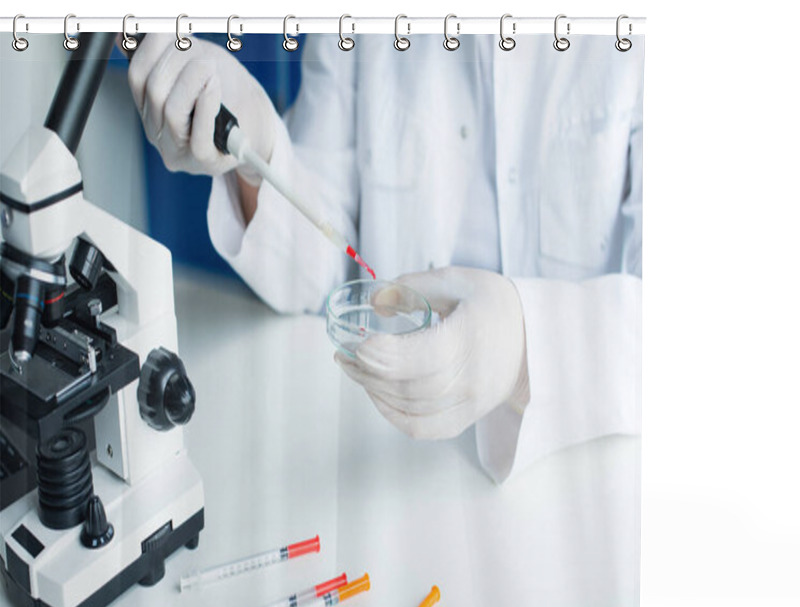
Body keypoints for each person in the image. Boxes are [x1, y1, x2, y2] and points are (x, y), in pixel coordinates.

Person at [127, 33, 642, 483]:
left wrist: (525, 348)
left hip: (576, 464)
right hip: (380, 450)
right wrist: (258, 159)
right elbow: (322, 264)